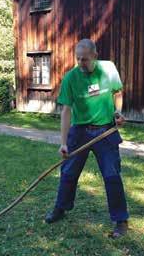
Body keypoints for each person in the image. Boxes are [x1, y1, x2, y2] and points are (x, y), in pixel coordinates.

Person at [45, 38, 129, 238]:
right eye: (78, 59)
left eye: (85, 59)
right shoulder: (71, 78)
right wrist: (64, 142)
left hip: (106, 131)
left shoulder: (108, 69)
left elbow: (118, 92)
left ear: (95, 56)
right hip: (80, 132)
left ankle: (120, 219)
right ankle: (61, 208)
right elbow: (66, 111)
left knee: (111, 174)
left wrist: (118, 112)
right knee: (68, 173)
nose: (81, 63)